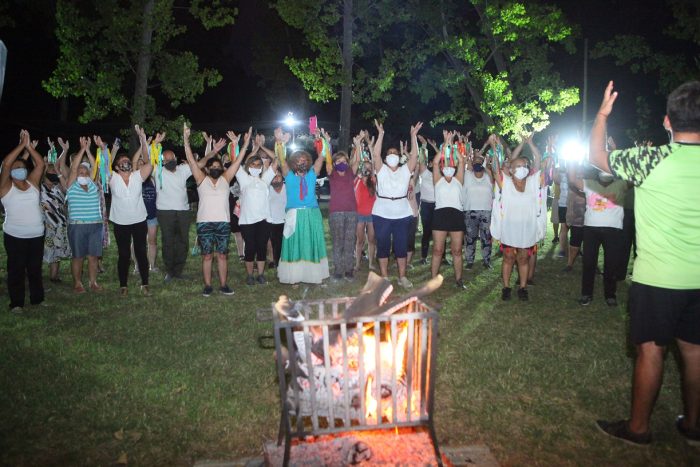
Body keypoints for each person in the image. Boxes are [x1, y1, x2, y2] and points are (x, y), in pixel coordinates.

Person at [592, 80, 700, 447]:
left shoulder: (650, 160)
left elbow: (597, 158)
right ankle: (693, 426)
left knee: (651, 351)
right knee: (696, 350)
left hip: (659, 278)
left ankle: (638, 428)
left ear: (668, 122)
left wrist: (602, 116)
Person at [183, 123, 244, 296]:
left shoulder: (226, 178)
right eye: (214, 167)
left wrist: (241, 144)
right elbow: (191, 160)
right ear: (208, 169)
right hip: (204, 223)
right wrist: (186, 140)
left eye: (219, 166)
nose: (216, 168)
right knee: (207, 256)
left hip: (223, 223)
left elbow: (238, 161)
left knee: (222, 255)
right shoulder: (201, 179)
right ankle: (208, 285)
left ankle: (224, 285)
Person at [490, 134, 544, 301]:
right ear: (512, 170)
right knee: (508, 257)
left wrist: (529, 143)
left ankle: (522, 288)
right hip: (510, 228)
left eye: (525, 165)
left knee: (523, 258)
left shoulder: (534, 182)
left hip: (527, 228)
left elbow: (539, 159)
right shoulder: (505, 182)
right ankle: (506, 287)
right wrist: (495, 149)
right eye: (519, 166)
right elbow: (495, 168)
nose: (523, 168)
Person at [371, 120, 422, 289]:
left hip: (402, 213)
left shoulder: (405, 170)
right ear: (386, 158)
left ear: (399, 157)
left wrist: (413, 136)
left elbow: (414, 156)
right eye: (390, 153)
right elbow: (376, 155)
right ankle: (385, 277)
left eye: (395, 152)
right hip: (382, 213)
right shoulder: (381, 169)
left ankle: (402, 276)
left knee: (401, 246)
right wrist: (381, 135)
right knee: (383, 245)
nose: (393, 154)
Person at [276, 127, 330, 284]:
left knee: (312, 243)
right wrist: (280, 143)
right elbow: (281, 159)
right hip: (294, 215)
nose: (301, 162)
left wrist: (323, 140)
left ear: (308, 162)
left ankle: (312, 275)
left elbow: (322, 156)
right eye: (298, 161)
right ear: (293, 163)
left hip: (312, 214)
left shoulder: (313, 173)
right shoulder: (288, 175)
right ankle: (294, 275)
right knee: (295, 244)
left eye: (304, 160)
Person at [108, 126, 157, 296]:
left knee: (141, 252)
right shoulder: (113, 178)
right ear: (116, 167)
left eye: (127, 160)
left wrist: (143, 141)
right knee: (123, 254)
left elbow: (149, 163)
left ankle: (145, 283)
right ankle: (123, 285)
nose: (125, 163)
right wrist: (113, 150)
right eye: (121, 162)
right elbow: (105, 166)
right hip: (120, 223)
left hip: (139, 221)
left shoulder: (138, 176)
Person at [569, 165, 627, 306]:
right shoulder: (589, 183)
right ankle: (586, 294)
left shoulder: (621, 184)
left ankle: (610, 295)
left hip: (613, 230)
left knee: (611, 264)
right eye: (603, 169)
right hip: (591, 230)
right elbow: (572, 179)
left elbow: (635, 176)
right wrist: (572, 159)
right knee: (589, 263)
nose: (605, 172)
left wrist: (618, 156)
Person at [0, 130, 46, 312]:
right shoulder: (5, 187)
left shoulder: (33, 183)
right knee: (16, 269)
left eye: (22, 166)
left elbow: (41, 164)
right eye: (16, 167)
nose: (19, 168)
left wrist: (29, 146)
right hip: (15, 236)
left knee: (35, 268)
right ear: (11, 172)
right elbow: (6, 163)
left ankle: (37, 299)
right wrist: (21, 145)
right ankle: (17, 303)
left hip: (36, 235)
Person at [230, 131, 277, 285]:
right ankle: (250, 275)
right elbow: (235, 161)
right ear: (248, 166)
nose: (256, 167)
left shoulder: (265, 179)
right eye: (253, 164)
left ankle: (261, 275)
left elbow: (276, 159)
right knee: (250, 248)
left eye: (258, 165)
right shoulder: (243, 179)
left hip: (264, 220)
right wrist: (251, 148)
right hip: (247, 221)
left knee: (261, 248)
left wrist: (261, 146)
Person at [65, 138, 104, 293]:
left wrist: (89, 150)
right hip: (77, 225)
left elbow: (96, 166)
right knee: (78, 256)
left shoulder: (94, 185)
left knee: (93, 256)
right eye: (80, 171)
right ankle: (78, 283)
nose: (82, 172)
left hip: (95, 225)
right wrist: (82, 149)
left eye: (85, 171)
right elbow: (73, 168)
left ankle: (93, 282)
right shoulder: (71, 185)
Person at [430, 131, 467, 288]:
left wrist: (452, 146)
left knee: (457, 251)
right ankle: (433, 279)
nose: (448, 166)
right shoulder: (437, 178)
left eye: (450, 164)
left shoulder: (459, 179)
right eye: (445, 164)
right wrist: (445, 144)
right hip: (440, 215)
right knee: (438, 250)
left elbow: (462, 160)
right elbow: (436, 160)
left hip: (456, 215)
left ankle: (459, 280)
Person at [324, 130, 359, 281]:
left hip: (351, 212)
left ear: (347, 162)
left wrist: (357, 146)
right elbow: (327, 161)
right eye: (338, 161)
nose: (341, 163)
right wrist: (327, 142)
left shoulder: (351, 172)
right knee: (338, 242)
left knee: (350, 242)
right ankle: (338, 270)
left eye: (344, 161)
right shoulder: (332, 174)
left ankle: (349, 269)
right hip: (336, 212)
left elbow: (356, 161)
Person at [41, 138, 71, 282]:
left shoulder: (58, 187)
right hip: (45, 225)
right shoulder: (39, 188)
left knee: (57, 252)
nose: (53, 171)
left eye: (54, 170)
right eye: (50, 169)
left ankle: (54, 276)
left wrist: (64, 151)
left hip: (59, 224)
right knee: (44, 250)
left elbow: (60, 166)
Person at [463, 145, 494, 270]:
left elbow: (490, 170)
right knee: (470, 238)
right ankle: (469, 261)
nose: (477, 162)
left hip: (486, 211)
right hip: (470, 211)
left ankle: (486, 260)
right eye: (475, 161)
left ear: (484, 163)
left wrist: (486, 162)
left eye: (480, 161)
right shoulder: (467, 175)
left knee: (486, 238)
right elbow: (467, 161)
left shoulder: (489, 176)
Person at [353, 139, 377, 272]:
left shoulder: (373, 180)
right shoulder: (356, 180)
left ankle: (371, 263)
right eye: (365, 166)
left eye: (369, 167)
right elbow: (357, 162)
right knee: (359, 240)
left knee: (372, 240)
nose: (367, 168)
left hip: (372, 215)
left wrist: (371, 149)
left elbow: (374, 162)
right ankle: (357, 263)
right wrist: (359, 148)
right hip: (359, 214)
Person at [563, 161, 586, 272]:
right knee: (574, 242)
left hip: (591, 218)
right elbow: (570, 201)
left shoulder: (590, 179)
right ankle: (569, 264)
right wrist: (569, 216)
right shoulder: (572, 180)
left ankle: (592, 264)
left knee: (591, 244)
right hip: (577, 217)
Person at [267, 169, 286, 269]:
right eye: (273, 176)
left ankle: (284, 261)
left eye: (278, 175)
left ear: (282, 177)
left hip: (286, 221)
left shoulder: (288, 188)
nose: (276, 178)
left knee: (284, 243)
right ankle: (275, 261)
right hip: (272, 222)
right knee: (274, 243)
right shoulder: (267, 189)